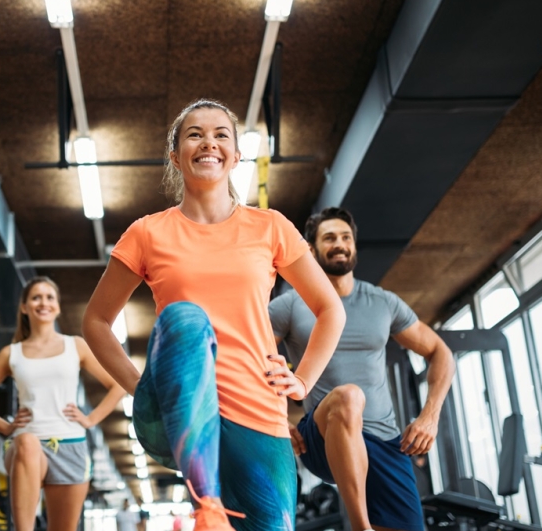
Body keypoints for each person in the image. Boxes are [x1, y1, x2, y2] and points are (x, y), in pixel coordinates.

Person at [82, 99, 346, 531]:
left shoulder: (270, 227)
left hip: (258, 407)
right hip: (182, 412)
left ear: (237, 155)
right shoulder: (148, 232)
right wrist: (142, 387)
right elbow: (95, 321)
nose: (209, 142)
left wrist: (302, 381)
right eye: (195, 134)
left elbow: (329, 308)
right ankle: (208, 507)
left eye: (221, 134)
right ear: (175, 156)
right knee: (186, 318)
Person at [269, 207, 455, 531]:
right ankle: (360, 528)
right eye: (329, 238)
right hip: (321, 437)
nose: (340, 244)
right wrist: (276, 418)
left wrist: (429, 417)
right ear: (311, 250)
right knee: (348, 397)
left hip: (384, 440)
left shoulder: (383, 302)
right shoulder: (290, 305)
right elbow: (249, 356)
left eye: (346, 237)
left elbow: (440, 352)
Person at [0, 276, 126, 531]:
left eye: (50, 297)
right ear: (24, 307)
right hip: (26, 446)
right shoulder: (12, 353)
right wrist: (6, 427)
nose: (44, 302)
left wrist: (90, 419)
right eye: (36, 297)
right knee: (28, 442)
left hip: (71, 445)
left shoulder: (75, 345)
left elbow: (118, 385)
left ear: (58, 306)